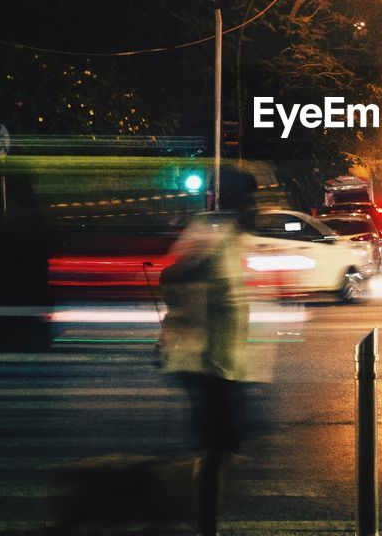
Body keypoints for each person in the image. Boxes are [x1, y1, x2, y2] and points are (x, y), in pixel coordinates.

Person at [157, 170, 256, 536]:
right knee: (215, 452)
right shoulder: (211, 235)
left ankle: (202, 518)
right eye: (251, 198)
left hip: (223, 366)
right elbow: (177, 280)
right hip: (207, 366)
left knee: (221, 450)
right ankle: (200, 522)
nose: (255, 206)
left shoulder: (228, 236)